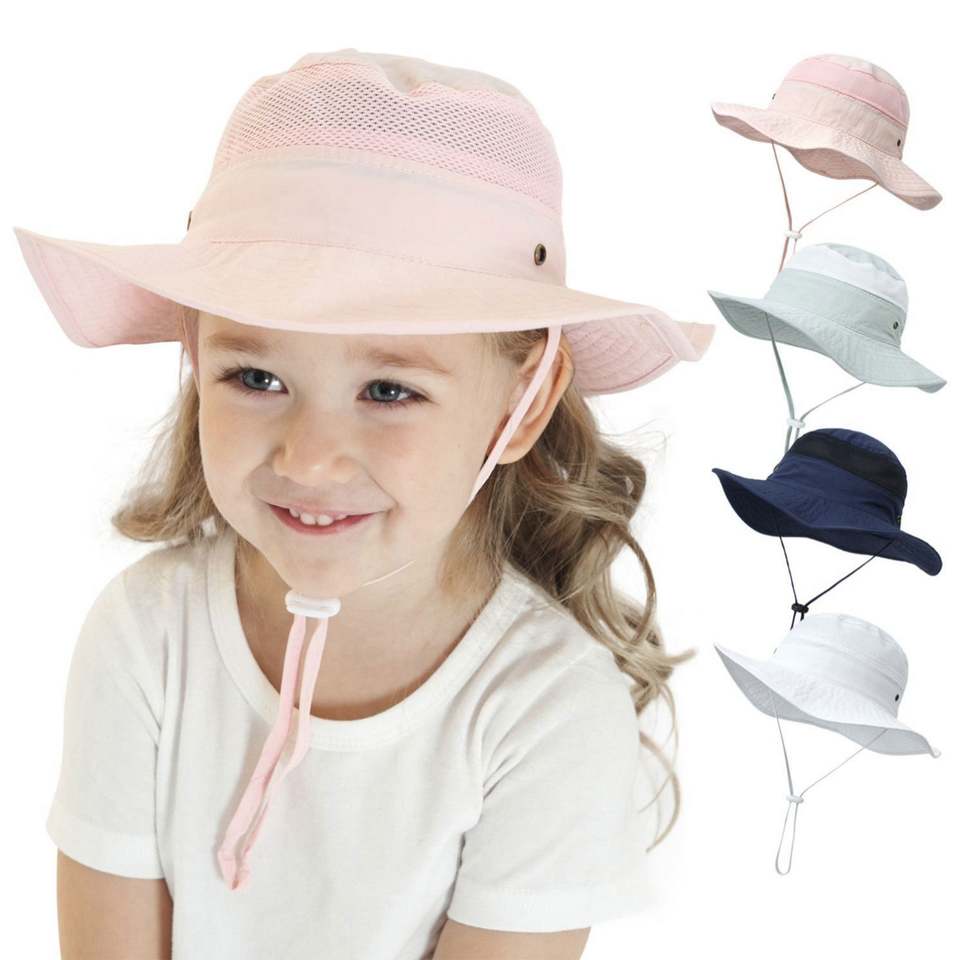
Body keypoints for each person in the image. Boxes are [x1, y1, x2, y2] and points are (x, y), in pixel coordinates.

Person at [18, 49, 713, 959]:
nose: (308, 459)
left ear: (523, 401)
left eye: (389, 391)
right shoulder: (148, 636)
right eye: (255, 376)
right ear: (195, 355)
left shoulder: (546, 709)